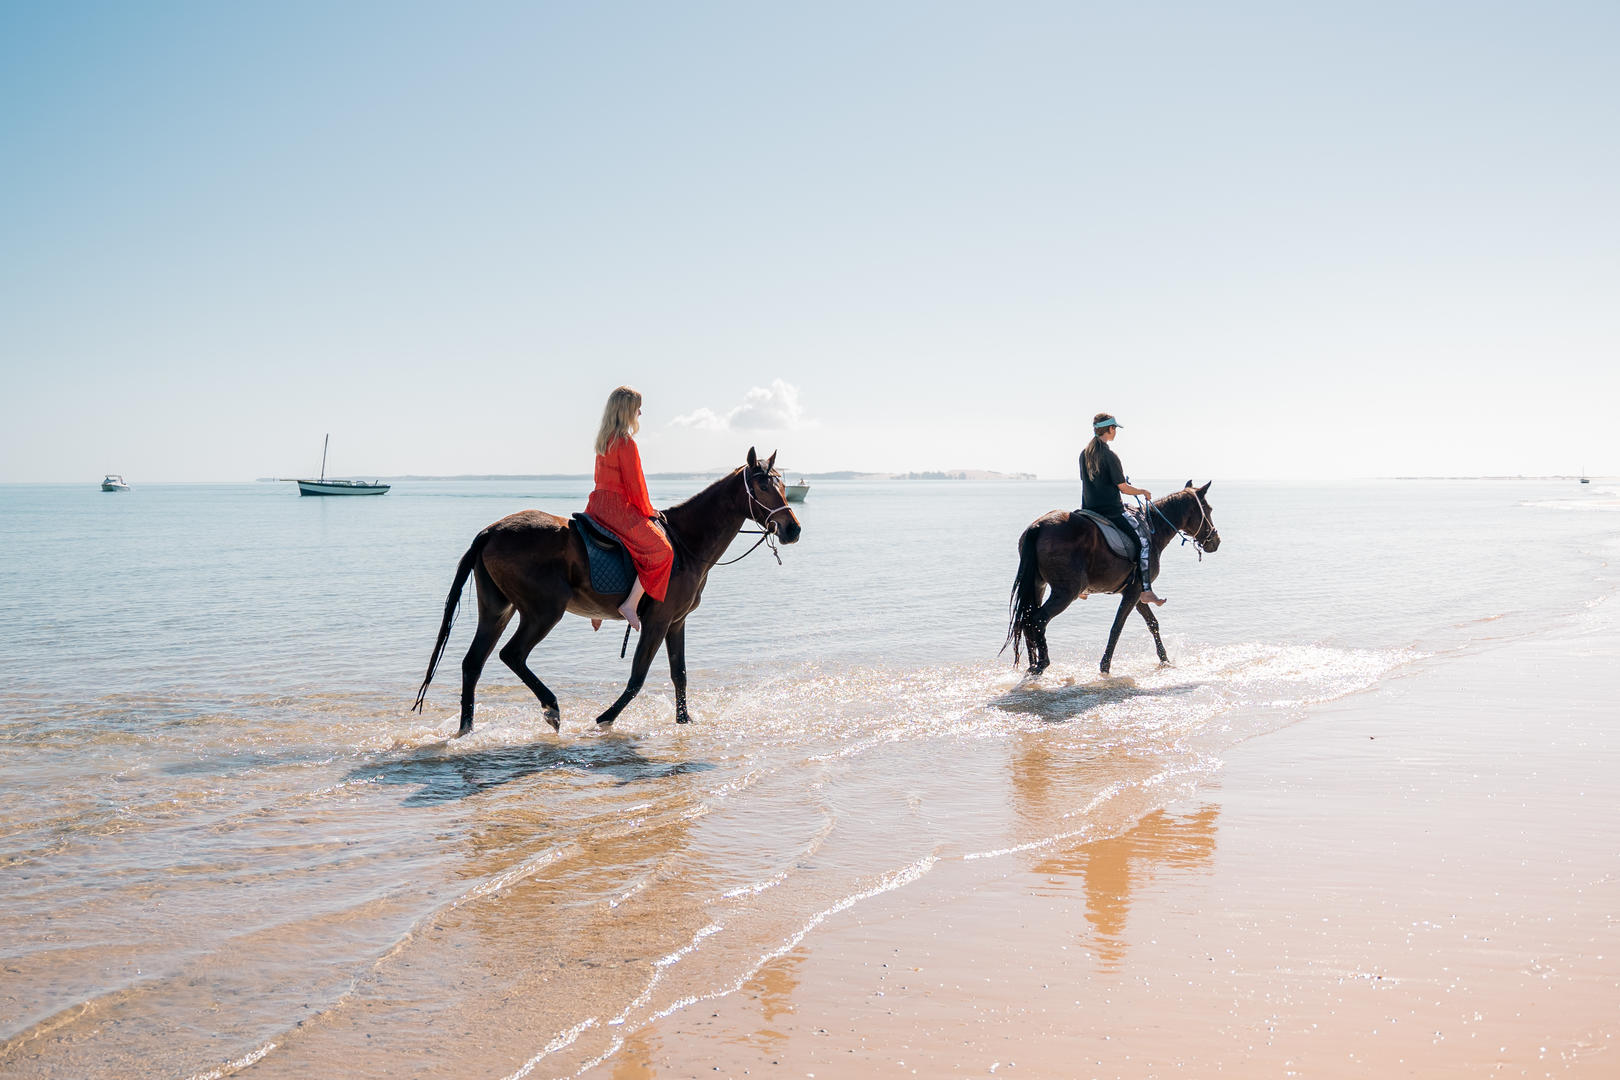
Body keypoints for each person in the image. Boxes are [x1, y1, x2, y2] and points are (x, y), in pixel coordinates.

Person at [586, 385, 674, 631]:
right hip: (617, 509)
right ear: (627, 411)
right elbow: (635, 485)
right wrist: (647, 510)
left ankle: (597, 606)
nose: (640, 413)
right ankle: (630, 604)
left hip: (596, 505)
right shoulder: (625, 443)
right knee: (662, 550)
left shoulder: (603, 442)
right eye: (637, 409)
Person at [1080, 412, 1165, 606]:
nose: (1115, 432)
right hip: (1111, 512)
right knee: (1144, 542)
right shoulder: (1110, 456)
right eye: (1115, 428)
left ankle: (1082, 589)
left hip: (1088, 510)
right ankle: (1146, 590)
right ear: (1110, 429)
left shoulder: (1084, 454)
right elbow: (1123, 488)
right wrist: (1142, 491)